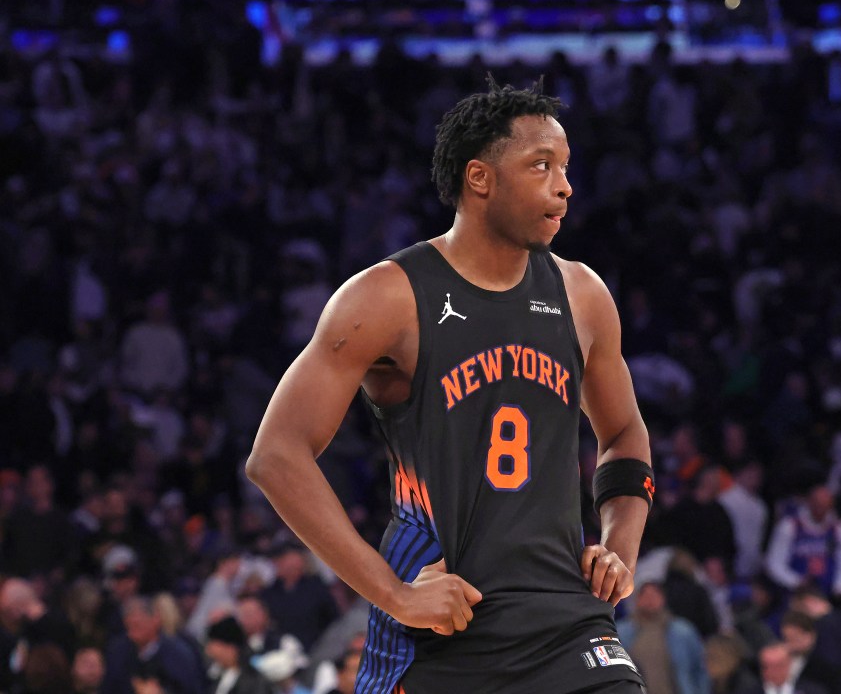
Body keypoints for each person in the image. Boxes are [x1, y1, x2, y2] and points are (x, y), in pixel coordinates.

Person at [247, 76, 653, 693]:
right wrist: (394, 595)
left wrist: (619, 547)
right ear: (480, 178)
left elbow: (623, 432)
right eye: (541, 165)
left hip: (568, 621)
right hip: (442, 622)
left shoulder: (582, 294)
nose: (564, 185)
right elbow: (276, 456)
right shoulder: (385, 297)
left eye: (566, 167)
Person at [617, 581, 710, 694]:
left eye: (654, 595)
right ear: (638, 600)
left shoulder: (683, 631)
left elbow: (700, 668)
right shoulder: (621, 632)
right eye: (646, 596)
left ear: (663, 598)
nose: (650, 600)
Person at [205, 615, 275, 694]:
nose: (209, 652)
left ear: (231, 648)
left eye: (216, 646)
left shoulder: (254, 680)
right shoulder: (215, 677)